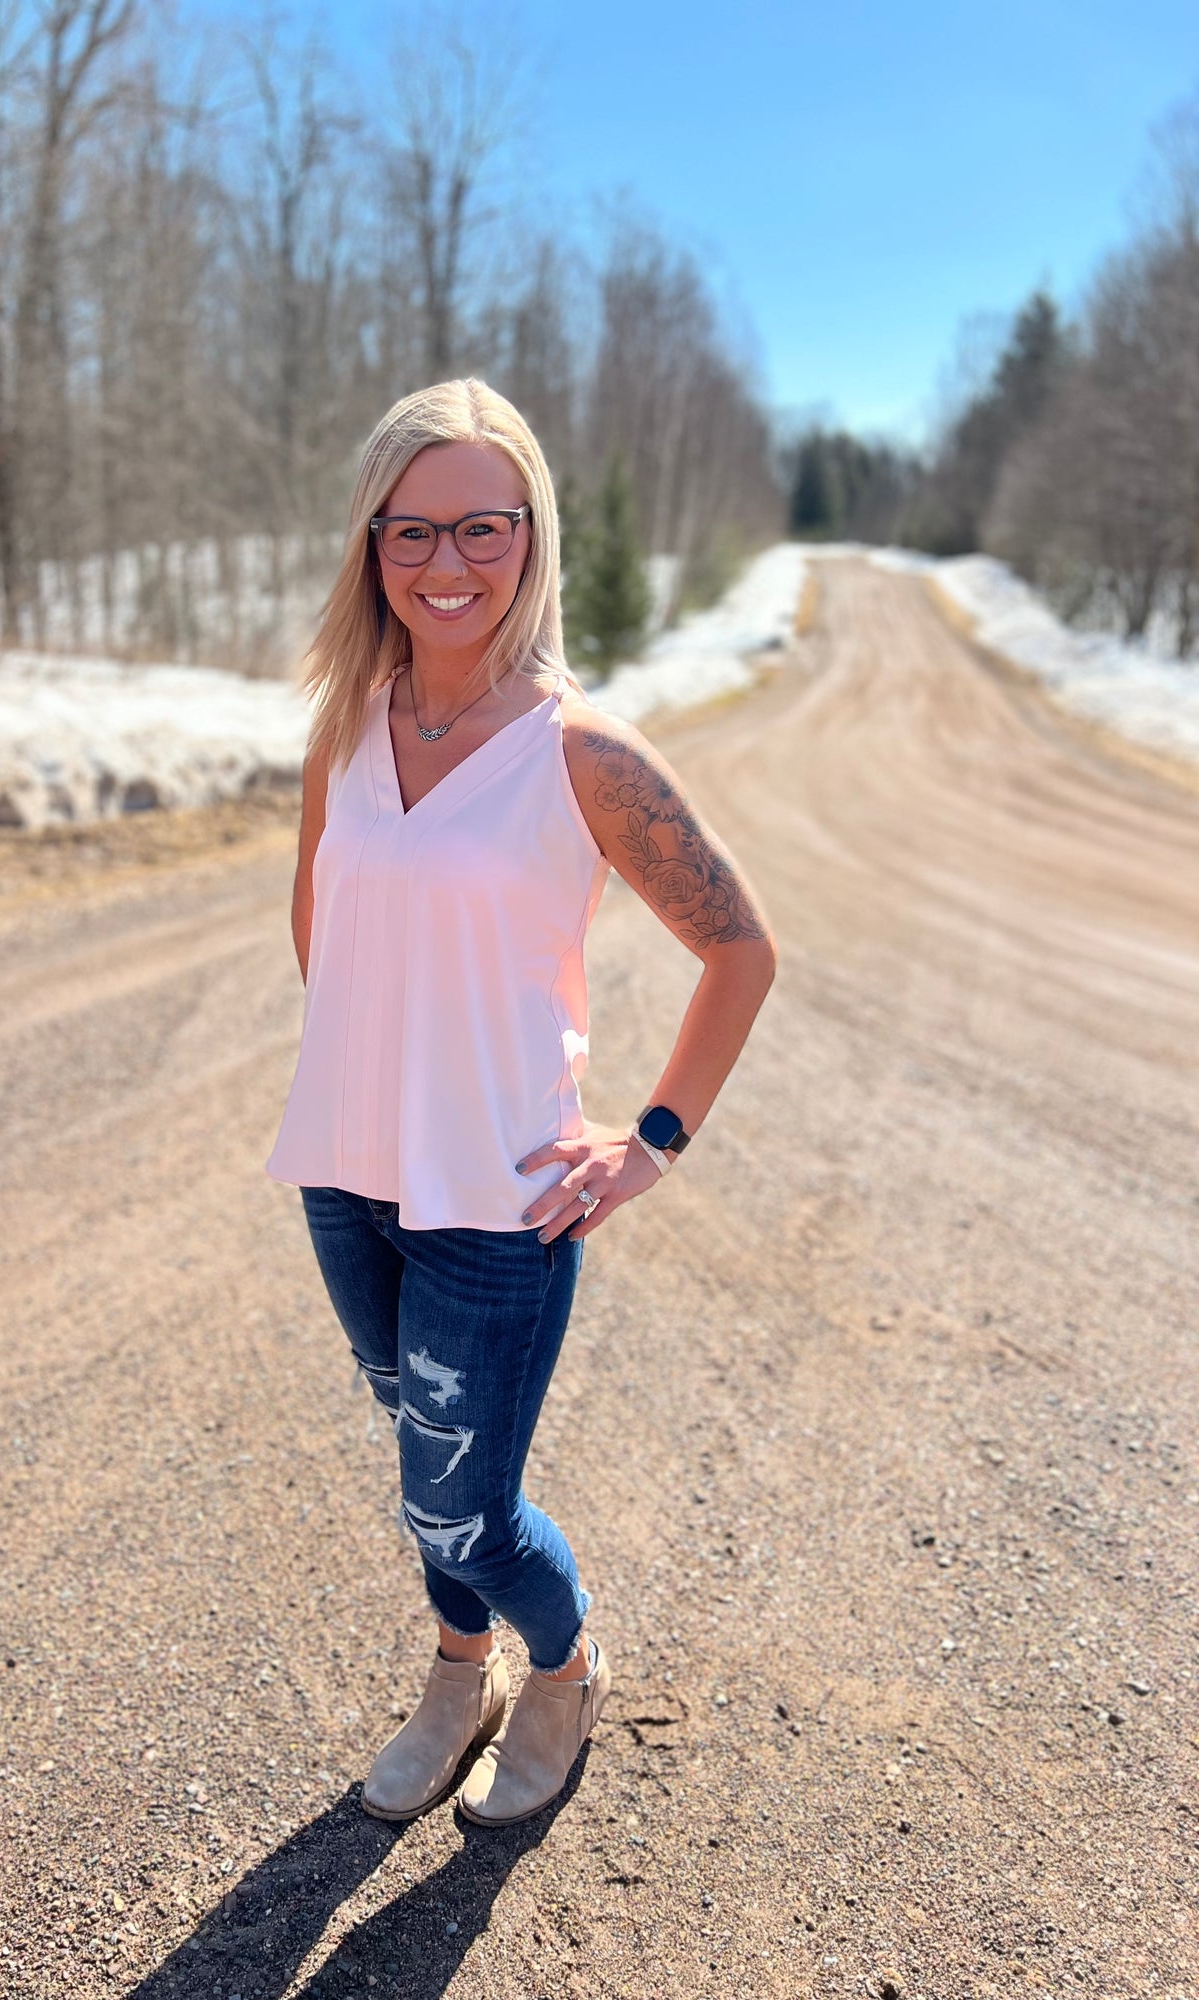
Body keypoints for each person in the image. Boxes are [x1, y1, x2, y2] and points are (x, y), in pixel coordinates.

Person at [265, 378, 776, 1826]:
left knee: (458, 1502)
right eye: (410, 530)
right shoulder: (345, 724)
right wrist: (381, 1052)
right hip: (351, 1178)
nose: (445, 564)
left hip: (499, 1196)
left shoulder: (584, 753)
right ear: (372, 545)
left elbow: (742, 951)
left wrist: (651, 1140)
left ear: (530, 535)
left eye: (481, 528)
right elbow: (321, 918)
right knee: (420, 1464)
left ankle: (558, 1667)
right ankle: (455, 1667)